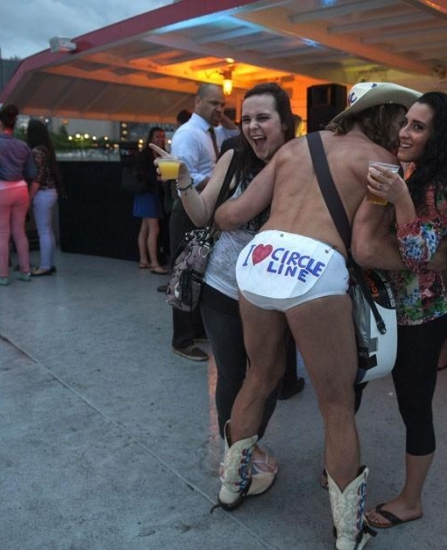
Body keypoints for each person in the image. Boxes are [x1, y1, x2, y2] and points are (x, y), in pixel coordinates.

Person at [214, 82, 421, 550]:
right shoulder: (381, 163)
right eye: (402, 120)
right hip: (314, 268)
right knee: (336, 404)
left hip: (260, 259)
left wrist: (201, 193)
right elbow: (366, 249)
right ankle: (348, 532)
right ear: (384, 116)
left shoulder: (293, 148)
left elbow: (233, 215)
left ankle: (231, 486)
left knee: (257, 378)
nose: (405, 130)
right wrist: (417, 258)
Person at [153, 82, 296, 497]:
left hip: (275, 293)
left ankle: (248, 444)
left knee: (267, 375)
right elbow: (201, 216)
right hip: (222, 286)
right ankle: (234, 452)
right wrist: (183, 182)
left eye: (263, 117)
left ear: (284, 123)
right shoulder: (233, 156)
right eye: (246, 117)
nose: (252, 126)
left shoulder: (298, 164)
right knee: (233, 374)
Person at [352, 91, 447, 530]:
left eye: (418, 127)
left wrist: (402, 197)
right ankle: (340, 464)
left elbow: (416, 254)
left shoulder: (436, 185)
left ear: (437, 137)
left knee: (415, 408)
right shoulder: (410, 171)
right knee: (349, 387)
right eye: (406, 122)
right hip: (385, 310)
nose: (405, 132)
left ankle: (411, 501)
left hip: (420, 319)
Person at [167, 83, 239, 361]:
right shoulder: (187, 134)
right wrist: (219, 178)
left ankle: (195, 329)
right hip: (188, 208)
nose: (219, 109)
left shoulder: (214, 130)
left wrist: (220, 116)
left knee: (199, 269)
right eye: (212, 104)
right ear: (197, 102)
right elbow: (182, 177)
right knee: (184, 272)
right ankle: (181, 340)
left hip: (204, 208)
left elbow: (235, 133)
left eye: (222, 104)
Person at [0, 104, 36, 286]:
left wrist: (4, 174)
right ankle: (25, 271)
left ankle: (3, 276)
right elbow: (31, 172)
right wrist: (15, 174)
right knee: (20, 233)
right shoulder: (23, 145)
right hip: (20, 190)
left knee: (1, 234)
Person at [26, 119, 63, 277]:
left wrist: (28, 198)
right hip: (51, 191)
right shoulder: (47, 149)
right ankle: (50, 263)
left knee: (43, 231)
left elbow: (37, 178)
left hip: (42, 193)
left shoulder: (36, 152)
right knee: (48, 231)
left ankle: (45, 266)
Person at [134, 127, 167, 274]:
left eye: (162, 136)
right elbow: (140, 174)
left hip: (148, 194)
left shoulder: (156, 154)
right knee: (153, 229)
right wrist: (157, 178)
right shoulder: (145, 155)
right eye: (157, 137)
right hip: (147, 194)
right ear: (151, 138)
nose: (160, 139)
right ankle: (154, 263)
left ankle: (144, 260)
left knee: (145, 229)